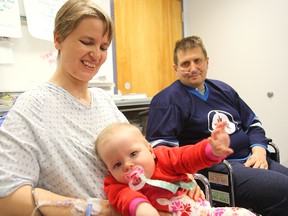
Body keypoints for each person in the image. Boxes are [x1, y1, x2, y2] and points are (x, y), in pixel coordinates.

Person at [0, 0, 129, 215]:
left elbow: (142, 157)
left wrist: (178, 182)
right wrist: (98, 210)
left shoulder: (105, 102)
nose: (96, 55)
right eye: (87, 42)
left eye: (103, 47)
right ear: (58, 39)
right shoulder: (32, 107)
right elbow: (7, 198)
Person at [145, 35, 288, 216]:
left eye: (197, 61)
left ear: (207, 61)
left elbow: (253, 124)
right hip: (220, 170)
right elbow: (161, 151)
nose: (193, 68)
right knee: (284, 191)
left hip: (253, 158)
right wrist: (184, 176)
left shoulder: (223, 89)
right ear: (176, 68)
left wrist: (259, 149)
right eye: (185, 64)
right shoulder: (167, 101)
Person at [95, 122, 256, 216]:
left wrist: (210, 150)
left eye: (133, 154)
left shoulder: (164, 158)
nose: (127, 165)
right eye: (117, 165)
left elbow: (187, 156)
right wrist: (143, 209)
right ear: (109, 171)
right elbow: (126, 198)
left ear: (150, 150)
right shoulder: (116, 185)